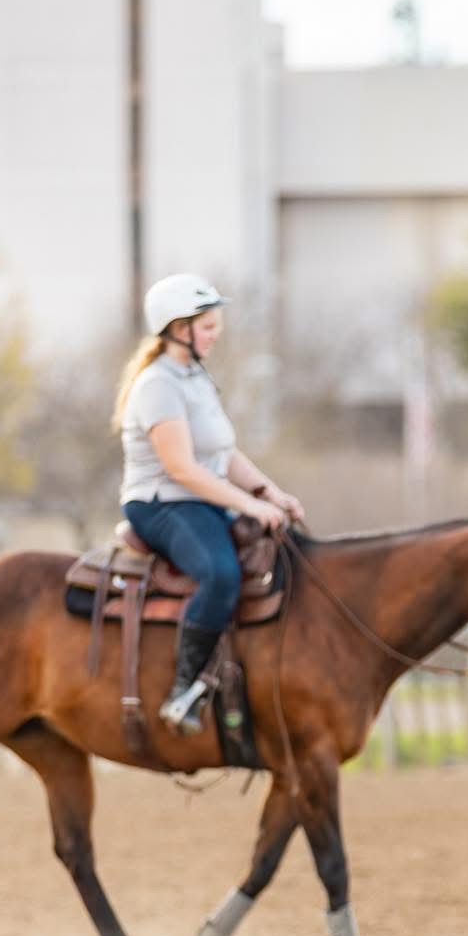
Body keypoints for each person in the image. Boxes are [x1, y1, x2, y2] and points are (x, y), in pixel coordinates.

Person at [114, 273, 304, 735]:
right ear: (178, 328)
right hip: (163, 504)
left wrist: (269, 493)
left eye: (216, 323)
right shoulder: (157, 385)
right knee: (222, 574)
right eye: (208, 324)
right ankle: (184, 691)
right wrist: (249, 507)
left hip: (201, 499)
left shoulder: (195, 377)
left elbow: (224, 453)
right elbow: (181, 468)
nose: (216, 332)